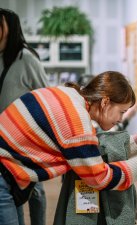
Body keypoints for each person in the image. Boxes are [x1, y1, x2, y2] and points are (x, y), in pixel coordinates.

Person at [0, 71, 137, 224]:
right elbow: (100, 178)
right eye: (121, 111)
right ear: (105, 102)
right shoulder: (77, 121)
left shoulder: (71, 95)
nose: (121, 119)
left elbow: (82, 150)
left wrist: (129, 144)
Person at [0, 8, 48, 225]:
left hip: (25, 140)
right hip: (2, 140)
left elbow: (46, 97)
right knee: (9, 191)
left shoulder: (26, 58)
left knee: (35, 190)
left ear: (10, 27)